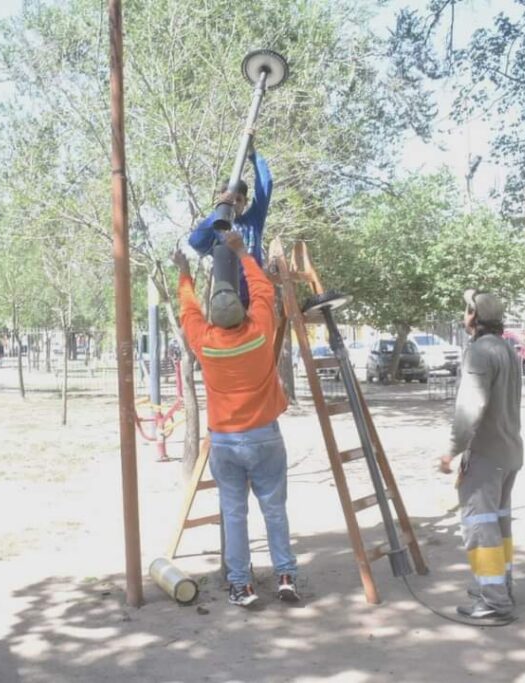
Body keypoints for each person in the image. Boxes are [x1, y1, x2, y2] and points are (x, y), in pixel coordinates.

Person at [173, 231, 299, 608]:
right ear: (243, 313)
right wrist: (243, 253)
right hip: (264, 438)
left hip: (225, 443)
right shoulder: (260, 332)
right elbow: (262, 290)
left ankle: (241, 585)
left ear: (214, 320)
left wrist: (184, 272)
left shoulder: (206, 342)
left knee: (234, 512)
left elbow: (187, 310)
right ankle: (286, 576)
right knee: (274, 509)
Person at [438, 289, 522, 622]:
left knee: (480, 527)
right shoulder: (506, 349)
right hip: (509, 452)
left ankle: (493, 602)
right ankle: (500, 589)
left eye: (465, 310)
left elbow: (470, 407)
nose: (463, 315)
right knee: (499, 525)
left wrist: (451, 451)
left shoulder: (479, 353)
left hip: (487, 456)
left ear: (474, 316)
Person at [188, 147, 272, 307]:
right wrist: (219, 210)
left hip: (254, 297)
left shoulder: (254, 220)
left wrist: (253, 155)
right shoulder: (217, 227)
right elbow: (195, 242)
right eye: (230, 200)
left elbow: (266, 184)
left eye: (238, 199)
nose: (234, 204)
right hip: (227, 302)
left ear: (245, 202)